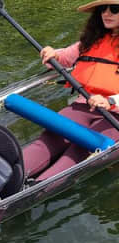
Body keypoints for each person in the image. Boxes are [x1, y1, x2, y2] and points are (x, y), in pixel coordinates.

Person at [23, 0, 119, 181]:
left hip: (115, 116)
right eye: (102, 9)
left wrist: (111, 101)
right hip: (84, 105)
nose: (107, 13)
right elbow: (65, 57)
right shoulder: (92, 40)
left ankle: (36, 188)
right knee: (49, 139)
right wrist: (53, 54)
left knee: (79, 151)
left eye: (114, 9)